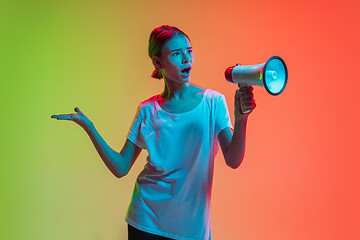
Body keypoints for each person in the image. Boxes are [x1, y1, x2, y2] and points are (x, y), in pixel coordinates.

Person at [51, 25, 256, 240]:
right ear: (158, 63)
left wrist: (241, 119)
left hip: (192, 229)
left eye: (189, 51)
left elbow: (233, 160)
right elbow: (121, 167)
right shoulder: (148, 110)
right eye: (176, 54)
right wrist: (89, 128)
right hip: (146, 222)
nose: (186, 59)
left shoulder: (213, 102)